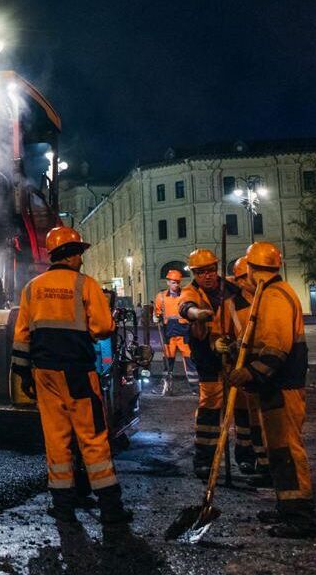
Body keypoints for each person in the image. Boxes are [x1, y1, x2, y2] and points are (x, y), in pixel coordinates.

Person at [13, 225, 132, 527]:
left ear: (54, 254)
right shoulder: (85, 285)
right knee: (92, 438)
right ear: (74, 254)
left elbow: (21, 336)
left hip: (44, 374)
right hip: (78, 373)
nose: (82, 258)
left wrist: (22, 372)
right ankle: (110, 508)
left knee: (56, 438)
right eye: (80, 253)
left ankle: (63, 506)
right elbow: (103, 327)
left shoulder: (32, 287)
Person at [228, 242, 316, 537]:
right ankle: (286, 507)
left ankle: (300, 517)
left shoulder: (274, 296)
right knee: (278, 450)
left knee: (288, 450)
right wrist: (235, 349)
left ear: (253, 270)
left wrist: (249, 373)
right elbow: (261, 340)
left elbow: (277, 348)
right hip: (275, 386)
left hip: (282, 386)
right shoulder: (270, 294)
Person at [177, 248, 234, 480]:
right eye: (201, 272)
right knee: (210, 409)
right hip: (208, 360)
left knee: (241, 409)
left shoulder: (230, 289)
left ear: (216, 269)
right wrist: (196, 313)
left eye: (210, 270)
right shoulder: (191, 291)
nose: (207, 276)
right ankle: (204, 460)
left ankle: (250, 459)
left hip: (234, 356)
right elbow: (185, 306)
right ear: (194, 274)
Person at [225, 257, 271, 482]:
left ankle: (265, 462)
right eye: (240, 278)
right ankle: (244, 455)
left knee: (262, 417)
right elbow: (226, 331)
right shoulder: (233, 303)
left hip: (264, 367)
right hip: (241, 365)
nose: (245, 282)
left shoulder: (267, 300)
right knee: (243, 415)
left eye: (247, 276)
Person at [153, 269, 196, 395]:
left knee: (190, 361)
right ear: (168, 282)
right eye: (173, 282)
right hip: (168, 334)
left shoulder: (185, 295)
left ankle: (195, 388)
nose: (175, 285)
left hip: (184, 333)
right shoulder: (160, 297)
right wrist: (155, 316)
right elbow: (157, 312)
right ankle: (166, 386)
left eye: (177, 282)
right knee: (168, 361)